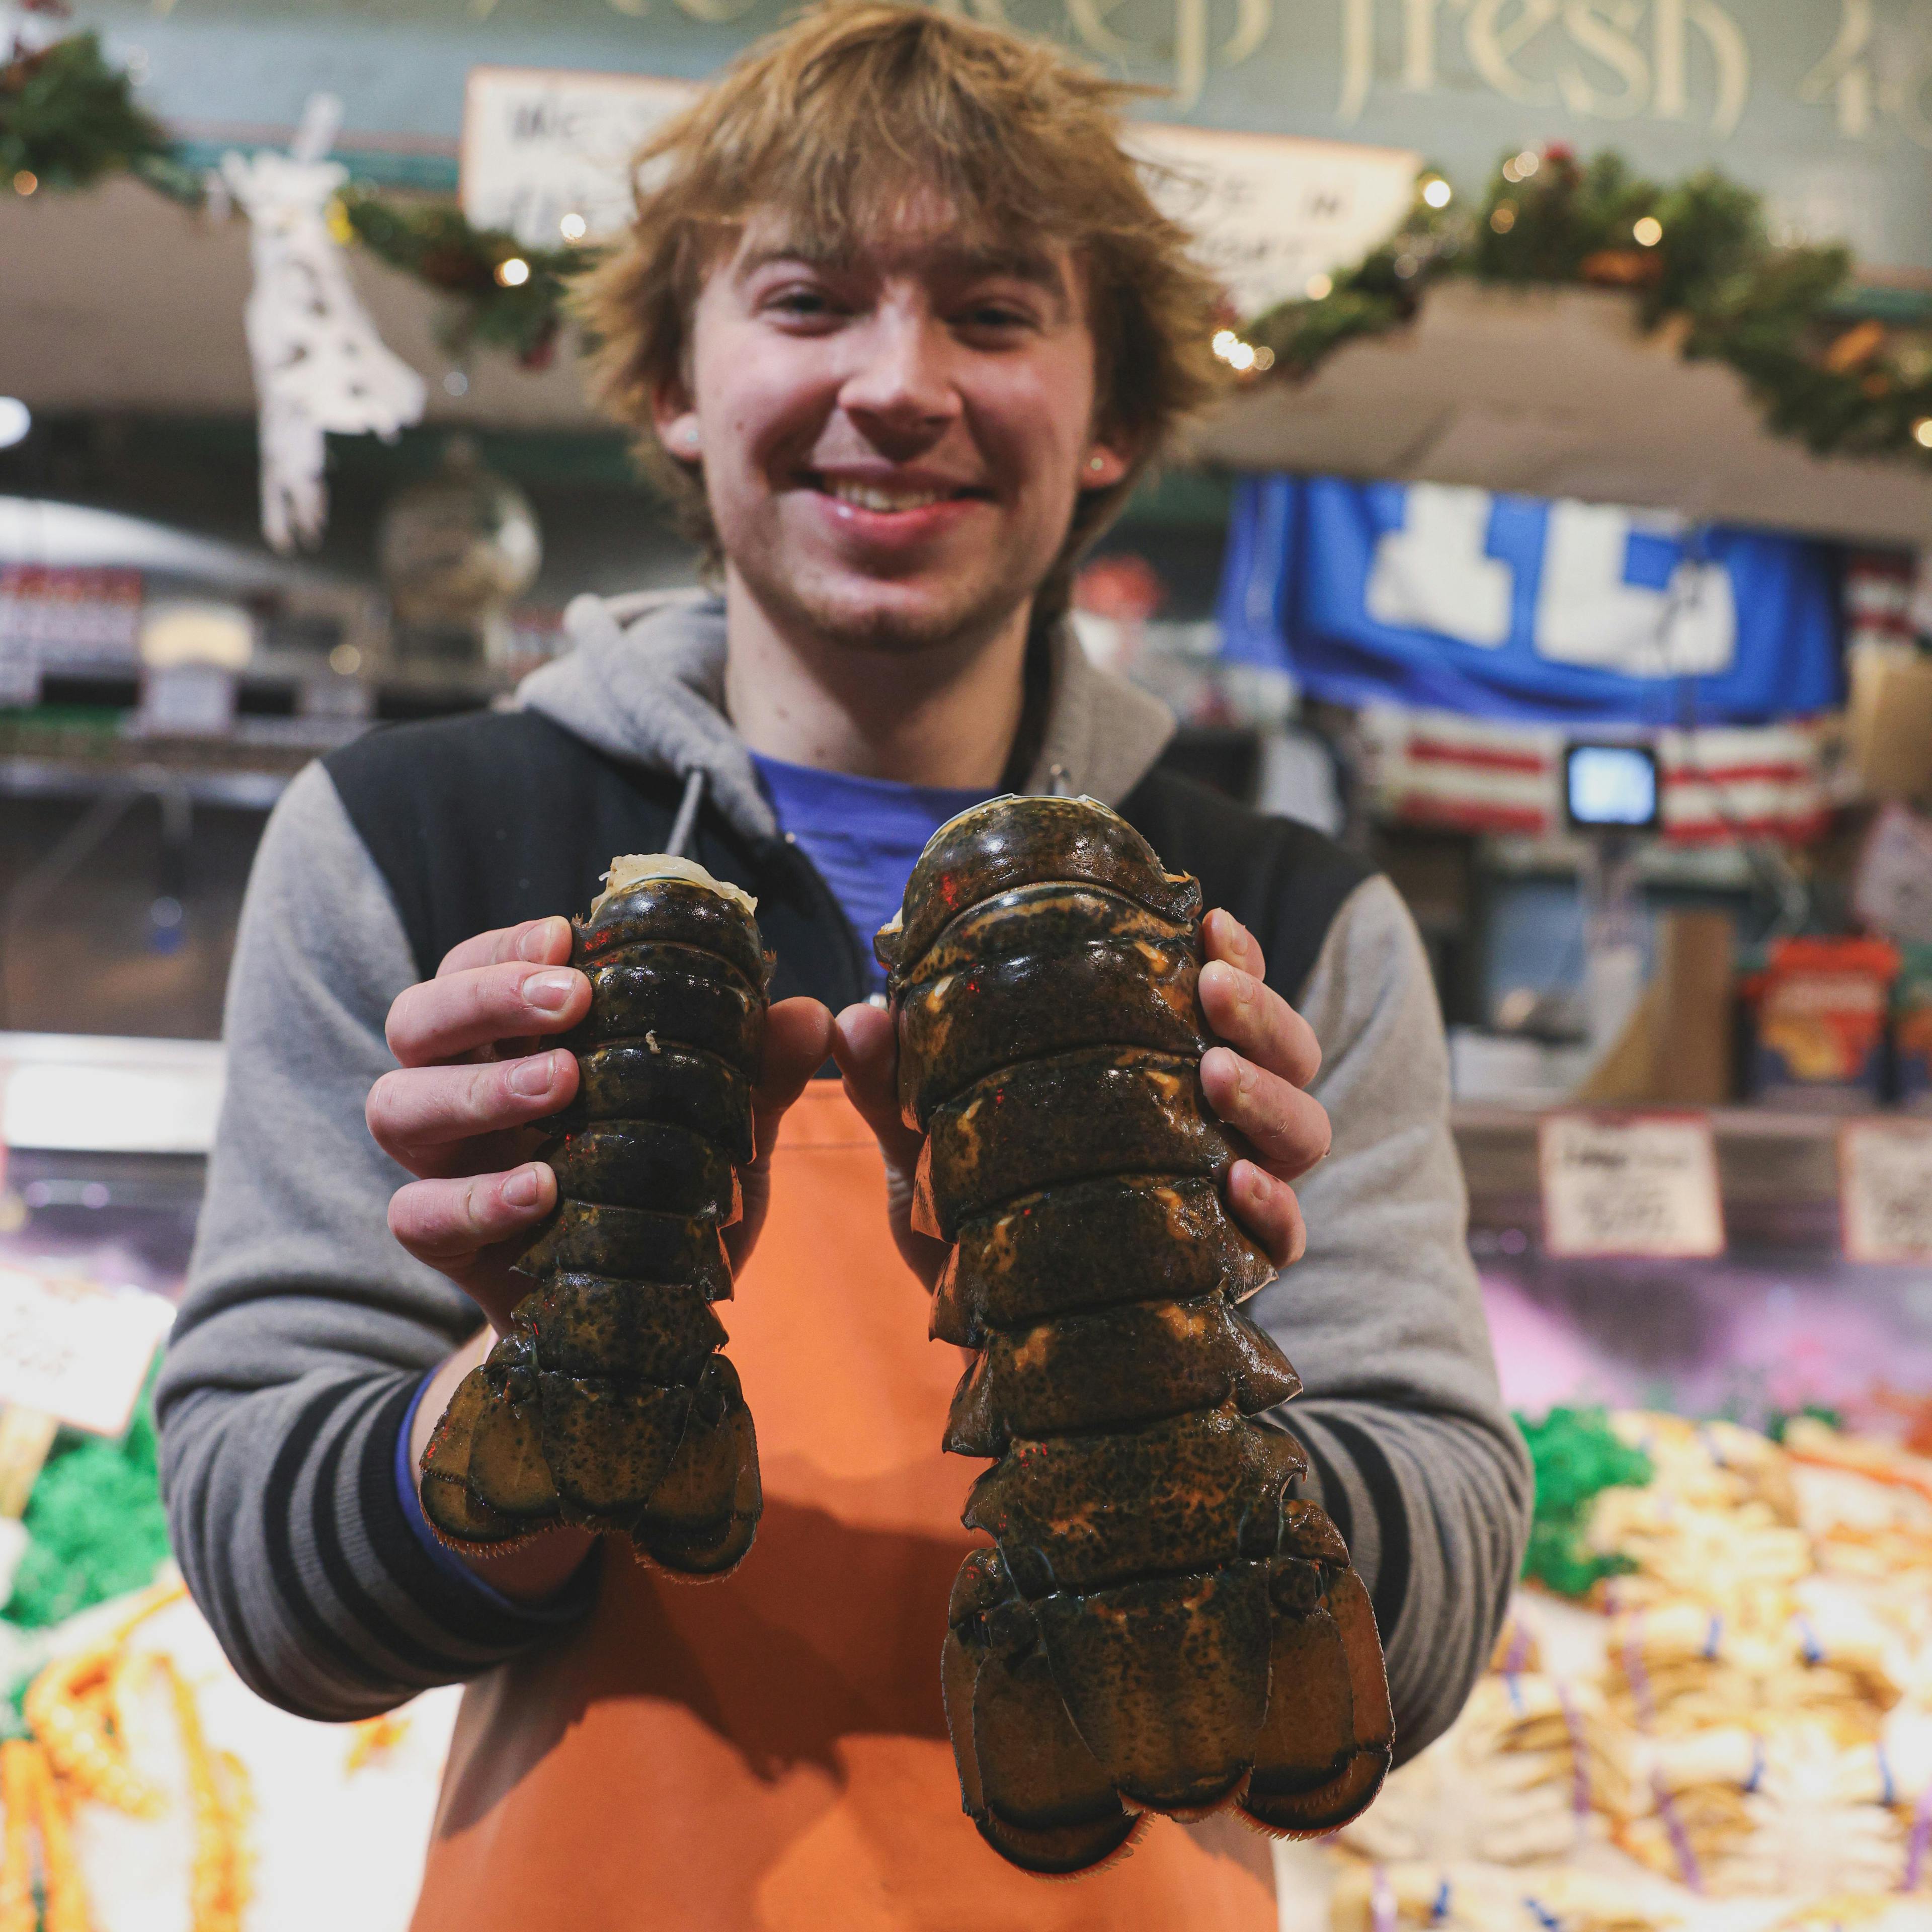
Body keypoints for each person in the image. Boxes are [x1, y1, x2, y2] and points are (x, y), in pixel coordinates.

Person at [155, 7, 1532, 1927]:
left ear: (1112, 409)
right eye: (807, 300)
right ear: (676, 387)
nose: (898, 386)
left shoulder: (1298, 916)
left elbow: (1447, 1577)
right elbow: (261, 1578)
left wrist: (1210, 1412)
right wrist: (515, 1365)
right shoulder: (402, 841)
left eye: (992, 311)